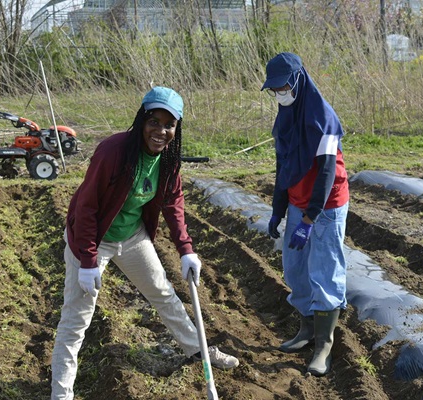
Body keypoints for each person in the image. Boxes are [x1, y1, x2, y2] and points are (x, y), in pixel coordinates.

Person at [50, 86, 239, 399]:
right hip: (93, 240)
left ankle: (200, 351)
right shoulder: (113, 152)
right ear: (141, 120)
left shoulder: (169, 159)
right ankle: (61, 393)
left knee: (164, 294)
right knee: (76, 319)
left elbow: (173, 202)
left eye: (169, 125)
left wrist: (186, 250)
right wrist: (86, 261)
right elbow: (86, 208)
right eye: (154, 121)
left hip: (132, 236)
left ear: (176, 129)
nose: (160, 131)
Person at [261, 53, 349, 377]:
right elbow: (283, 167)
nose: (279, 93)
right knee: (295, 269)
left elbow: (326, 173)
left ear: (297, 80)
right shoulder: (284, 120)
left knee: (324, 271)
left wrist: (310, 219)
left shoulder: (322, 118)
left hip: (325, 207)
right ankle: (306, 329)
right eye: (274, 89)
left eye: (283, 86)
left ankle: (324, 344)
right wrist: (277, 210)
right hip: (299, 204)